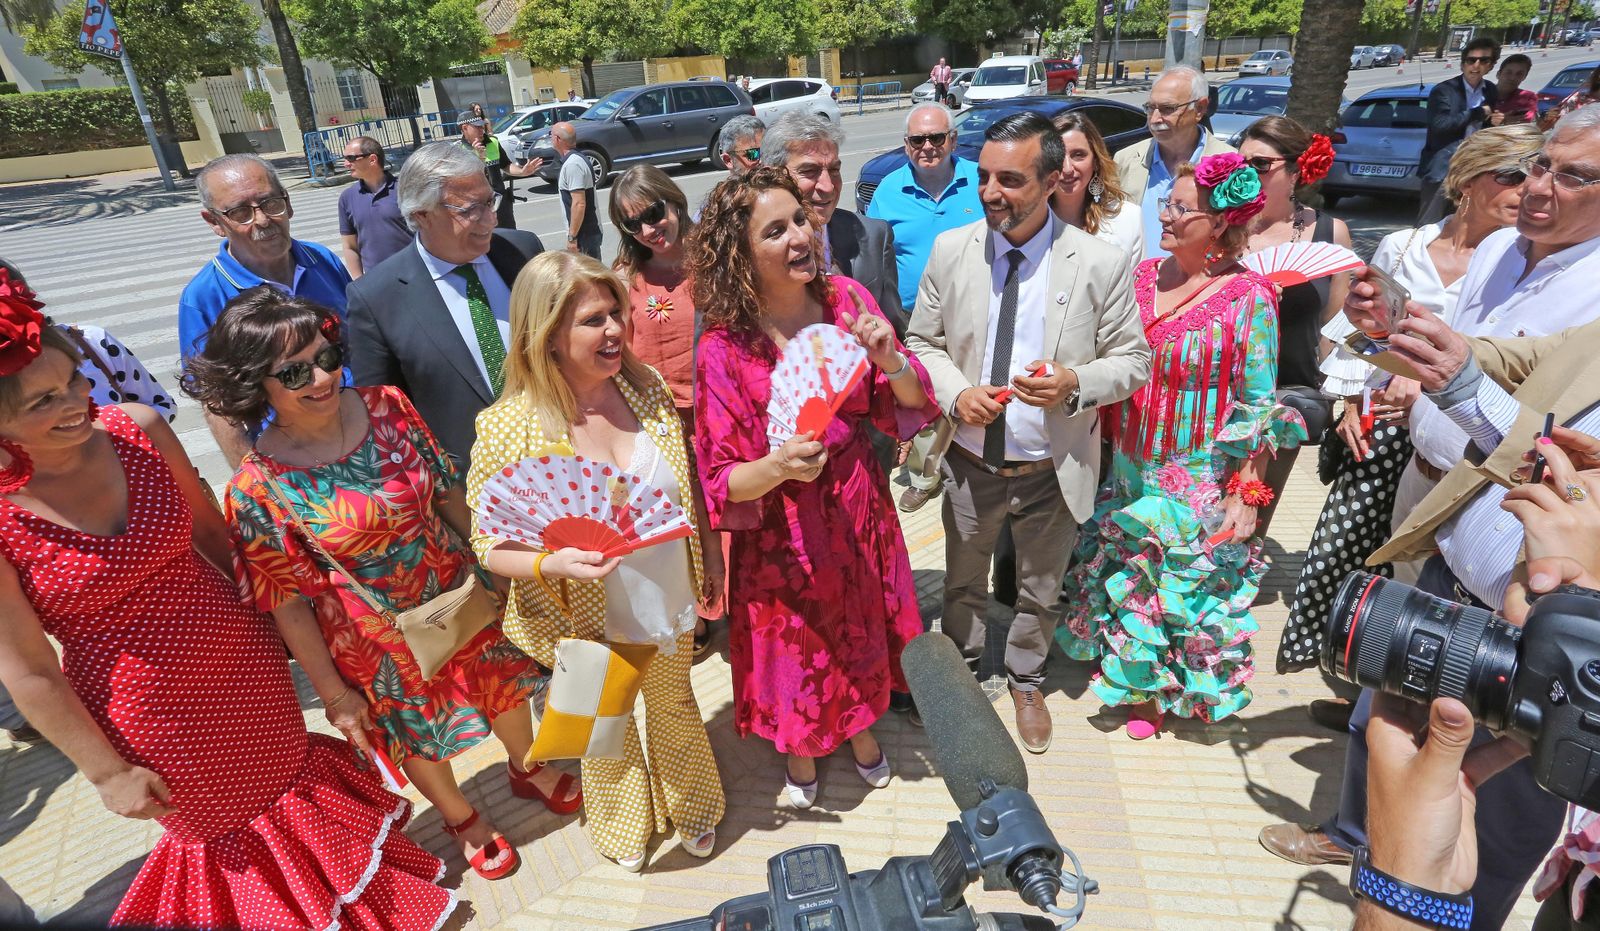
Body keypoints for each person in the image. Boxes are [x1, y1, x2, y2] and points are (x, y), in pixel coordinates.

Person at [0, 285, 456, 928]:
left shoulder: (138, 428)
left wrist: (283, 634)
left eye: (74, 380)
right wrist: (105, 773)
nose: (77, 403)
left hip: (245, 659)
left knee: (289, 779)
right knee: (222, 827)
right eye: (44, 401)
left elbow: (217, 539)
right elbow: (29, 673)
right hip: (151, 713)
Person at [1259, 106, 1600, 931]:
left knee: (1499, 794)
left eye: (1572, 176)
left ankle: (1444, 908)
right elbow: (1462, 355)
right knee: (1386, 719)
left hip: (1530, 590)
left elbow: (1552, 448)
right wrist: (1387, 333)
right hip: (1439, 523)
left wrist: (1453, 379)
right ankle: (1371, 855)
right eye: (1539, 165)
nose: (1539, 187)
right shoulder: (1499, 249)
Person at [185, 286, 577, 883]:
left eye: (326, 357)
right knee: (416, 730)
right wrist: (335, 697)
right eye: (294, 372)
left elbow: (446, 491)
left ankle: (527, 765)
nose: (322, 378)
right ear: (254, 385)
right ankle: (461, 817)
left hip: (456, 586)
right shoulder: (257, 488)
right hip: (375, 637)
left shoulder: (388, 405)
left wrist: (494, 565)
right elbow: (287, 604)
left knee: (501, 681)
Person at [467, 252, 725, 872]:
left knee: (674, 704)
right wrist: (553, 565)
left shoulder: (647, 387)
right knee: (604, 727)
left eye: (615, 312)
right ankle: (623, 823)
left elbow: (686, 486)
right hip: (580, 615)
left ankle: (692, 802)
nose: (614, 329)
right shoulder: (507, 428)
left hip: (666, 593)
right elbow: (489, 542)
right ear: (547, 334)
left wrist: (712, 557)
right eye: (592, 320)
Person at [688, 166, 938, 806]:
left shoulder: (847, 300)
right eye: (775, 231)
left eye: (800, 219)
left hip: (856, 500)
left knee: (859, 624)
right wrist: (778, 467)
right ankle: (800, 744)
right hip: (781, 524)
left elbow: (911, 401)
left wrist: (891, 359)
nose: (801, 236)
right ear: (740, 254)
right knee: (798, 642)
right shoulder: (724, 347)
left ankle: (859, 726)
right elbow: (722, 480)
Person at [905, 113, 1150, 754]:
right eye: (984, 177)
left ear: (1051, 180)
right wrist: (956, 393)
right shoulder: (952, 250)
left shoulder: (1098, 262)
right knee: (962, 582)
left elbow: (1133, 361)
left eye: (1010, 180)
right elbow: (922, 342)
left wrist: (1074, 382)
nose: (991, 193)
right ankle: (959, 671)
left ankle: (1026, 678)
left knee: (1040, 590)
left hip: (1051, 469)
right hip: (969, 462)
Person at [1279, 125, 1542, 688]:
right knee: (1349, 551)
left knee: (1428, 579)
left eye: (1536, 173)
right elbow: (1359, 330)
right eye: (1513, 174)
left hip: (1467, 442)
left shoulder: (1517, 263)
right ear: (1468, 181)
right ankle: (1346, 675)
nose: (1529, 187)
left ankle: (1388, 687)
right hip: (1384, 428)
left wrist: (1424, 385)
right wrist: (1352, 402)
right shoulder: (1403, 246)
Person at [1058, 154, 1306, 738]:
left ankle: (1165, 690)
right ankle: (1133, 680)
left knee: (1179, 578)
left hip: (1196, 469)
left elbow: (1258, 403)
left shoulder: (1251, 296)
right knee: (1125, 567)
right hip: (1128, 459)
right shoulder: (1141, 276)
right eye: (1166, 203)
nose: (1164, 215)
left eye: (1180, 208)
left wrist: (1246, 491)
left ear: (1219, 223)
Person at [346, 141, 544, 470]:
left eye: (489, 202)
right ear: (421, 215)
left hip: (562, 464)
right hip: (466, 484)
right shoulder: (376, 298)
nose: (489, 220)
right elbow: (382, 418)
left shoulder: (524, 252)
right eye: (469, 210)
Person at [607, 164, 725, 654]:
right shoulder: (625, 279)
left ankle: (733, 599)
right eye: (632, 223)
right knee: (680, 522)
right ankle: (696, 612)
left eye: (653, 213)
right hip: (660, 423)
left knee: (726, 516)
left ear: (673, 200)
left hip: (721, 416)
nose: (648, 229)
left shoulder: (717, 259)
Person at [179, 153, 351, 467]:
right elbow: (218, 403)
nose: (262, 220)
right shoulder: (204, 297)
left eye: (270, 203)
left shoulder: (322, 259)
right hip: (293, 459)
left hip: (360, 429)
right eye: (240, 212)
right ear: (215, 222)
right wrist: (259, 481)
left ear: (288, 202)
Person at [1236, 116, 1354, 535]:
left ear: (1296, 170)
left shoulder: (1330, 232)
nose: (1247, 172)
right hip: (1218, 394)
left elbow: (1335, 328)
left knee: (1252, 522)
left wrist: (1345, 397)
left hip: (1287, 398)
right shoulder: (1220, 226)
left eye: (1260, 164)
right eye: (1241, 162)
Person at [864, 102, 981, 514]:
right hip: (914, 318)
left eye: (936, 137)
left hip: (974, 310)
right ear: (906, 144)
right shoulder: (888, 190)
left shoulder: (979, 179)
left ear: (953, 140)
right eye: (917, 139)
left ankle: (973, 467)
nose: (927, 146)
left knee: (971, 389)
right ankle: (924, 476)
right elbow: (875, 252)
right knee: (922, 398)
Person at [761, 112, 904, 336]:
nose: (828, 187)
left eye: (834, 170)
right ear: (772, 175)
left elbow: (895, 332)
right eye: (809, 171)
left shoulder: (874, 236)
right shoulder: (743, 249)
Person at [1114, 66, 1236, 260]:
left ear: (1200, 108)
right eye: (1150, 108)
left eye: (1167, 109)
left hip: (1204, 276)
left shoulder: (1231, 165)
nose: (1155, 119)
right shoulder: (1126, 160)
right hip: (1135, 277)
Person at [1419, 36, 1503, 221]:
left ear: (1491, 65)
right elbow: (1440, 125)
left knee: (1462, 220)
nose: (1476, 65)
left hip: (1473, 166)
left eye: (1484, 60)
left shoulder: (1490, 90)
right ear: (1463, 63)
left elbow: (1484, 128)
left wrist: (1493, 122)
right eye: (1471, 60)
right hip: (1444, 167)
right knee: (1429, 222)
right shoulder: (1444, 90)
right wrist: (1478, 112)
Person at [1050, 109, 1142, 265]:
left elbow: (1138, 278)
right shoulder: (1029, 222)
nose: (1067, 169)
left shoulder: (1128, 218)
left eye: (1078, 155)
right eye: (1057, 156)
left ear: (1096, 161)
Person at [337, 135, 413, 278]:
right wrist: (359, 281)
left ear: (372, 159)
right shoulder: (347, 198)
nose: (346, 164)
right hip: (375, 282)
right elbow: (350, 246)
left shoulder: (405, 189)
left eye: (351, 158)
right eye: (345, 158)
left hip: (414, 275)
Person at [458, 111, 542, 230]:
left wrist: (522, 171)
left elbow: (506, 165)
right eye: (477, 127)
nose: (482, 130)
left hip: (500, 202)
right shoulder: (458, 151)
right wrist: (479, 159)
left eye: (482, 126)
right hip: (478, 206)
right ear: (465, 128)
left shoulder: (493, 142)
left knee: (509, 236)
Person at [552, 121, 603, 259]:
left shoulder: (573, 164)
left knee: (589, 272)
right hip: (587, 233)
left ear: (557, 139)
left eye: (551, 135)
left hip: (584, 235)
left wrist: (572, 237)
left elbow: (579, 203)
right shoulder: (577, 159)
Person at [1493, 53, 1538, 125]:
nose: (1512, 78)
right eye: (1508, 72)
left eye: (1519, 74)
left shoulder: (1528, 97)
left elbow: (1526, 123)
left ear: (1524, 77)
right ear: (1498, 74)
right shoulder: (1482, 93)